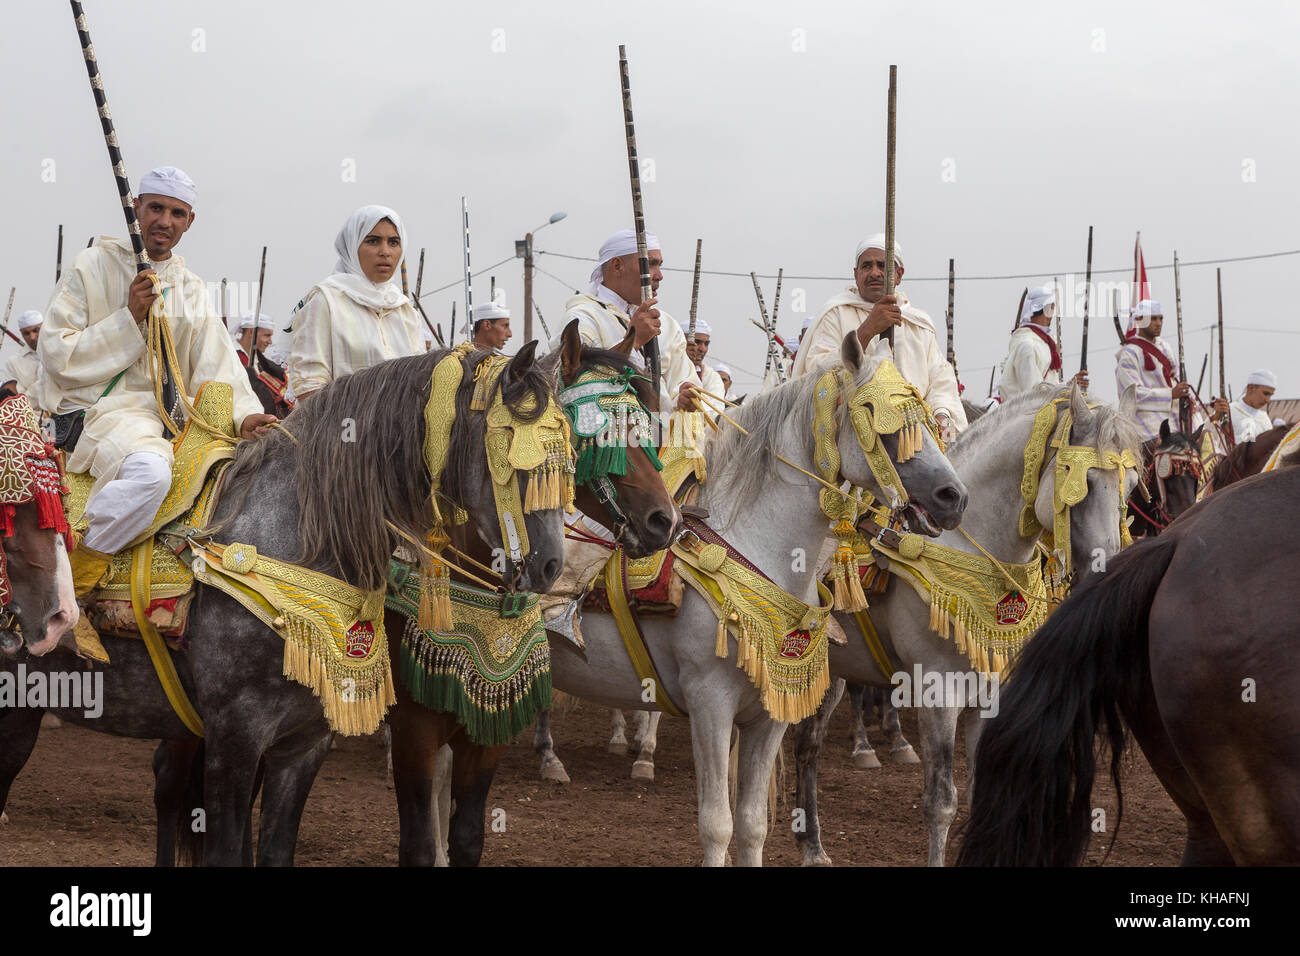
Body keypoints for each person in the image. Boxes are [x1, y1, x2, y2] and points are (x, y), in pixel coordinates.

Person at [37, 165, 273, 635]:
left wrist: (246, 416)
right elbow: (56, 352)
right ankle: (76, 579)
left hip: (163, 423)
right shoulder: (93, 265)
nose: (164, 221)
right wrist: (129, 317)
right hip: (99, 411)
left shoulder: (190, 288)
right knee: (152, 474)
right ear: (136, 209)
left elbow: (217, 362)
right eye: (156, 208)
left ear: (190, 222)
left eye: (177, 213)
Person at [792, 234, 966, 438]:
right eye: (867, 266)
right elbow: (817, 374)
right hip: (852, 437)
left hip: (916, 437)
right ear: (856, 274)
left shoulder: (919, 324)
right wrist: (866, 331)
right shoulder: (835, 315)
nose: (875, 272)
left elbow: (940, 380)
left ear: (899, 274)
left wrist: (942, 414)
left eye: (883, 266)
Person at [551, 228, 700, 415]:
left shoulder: (666, 323)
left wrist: (684, 396)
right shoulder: (582, 318)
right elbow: (574, 384)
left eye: (659, 265)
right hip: (606, 441)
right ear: (617, 266)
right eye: (650, 265)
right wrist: (634, 342)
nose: (659, 275)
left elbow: (683, 382)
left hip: (663, 441)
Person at [287, 205, 424, 401]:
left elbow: (420, 381)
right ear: (351, 245)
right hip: (341, 428)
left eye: (393, 242)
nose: (385, 251)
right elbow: (309, 384)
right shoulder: (326, 301)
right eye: (373, 241)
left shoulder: (404, 310)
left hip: (403, 430)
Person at [1115, 299, 1227, 443]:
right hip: (1146, 427)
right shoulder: (1129, 354)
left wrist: (1193, 403)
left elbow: (1177, 381)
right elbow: (1131, 395)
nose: (1158, 323)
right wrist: (1170, 394)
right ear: (1139, 320)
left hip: (1176, 418)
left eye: (1160, 318)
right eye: (1153, 318)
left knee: (1208, 445)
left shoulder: (1165, 347)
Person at [998, 285, 1088, 400]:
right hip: (1026, 414)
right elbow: (1034, 393)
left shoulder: (1045, 343)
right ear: (1047, 308)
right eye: (1052, 306)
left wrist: (1071, 385)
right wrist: (1066, 388)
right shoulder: (1027, 345)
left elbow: (1048, 385)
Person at [683, 318, 725, 420]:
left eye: (706, 344)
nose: (702, 349)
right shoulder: (667, 369)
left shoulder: (712, 377)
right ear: (682, 342)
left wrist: (694, 403)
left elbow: (715, 413)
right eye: (697, 342)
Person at [2, 310, 44, 398]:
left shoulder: (60, 353)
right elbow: (18, 399)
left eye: (36, 330)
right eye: (26, 333)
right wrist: (45, 380)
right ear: (21, 333)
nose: (32, 337)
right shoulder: (13, 364)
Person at [1230, 369, 1277, 442]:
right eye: (1265, 394)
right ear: (1251, 388)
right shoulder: (1229, 411)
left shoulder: (1265, 420)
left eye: (1270, 395)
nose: (1267, 400)